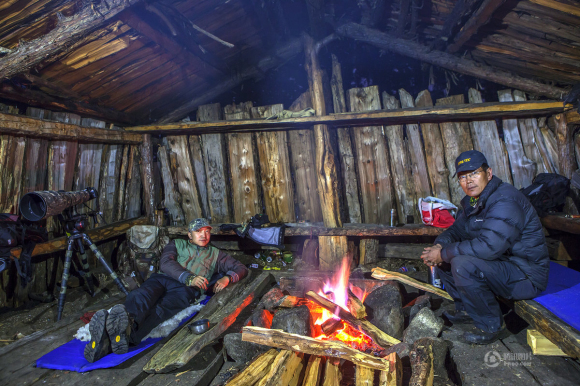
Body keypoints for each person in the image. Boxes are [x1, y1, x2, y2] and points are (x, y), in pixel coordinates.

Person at [421, 150, 549, 344]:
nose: (468, 181)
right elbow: (456, 231)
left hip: (525, 275)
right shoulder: (475, 202)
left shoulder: (505, 200)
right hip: (503, 264)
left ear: (488, 174)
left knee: (461, 263)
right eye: (463, 177)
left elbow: (489, 246)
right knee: (446, 255)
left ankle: (491, 326)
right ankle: (466, 309)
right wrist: (439, 245)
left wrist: (443, 253)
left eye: (474, 173)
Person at [84, 218, 248, 362]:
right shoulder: (176, 244)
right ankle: (126, 326)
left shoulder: (215, 254)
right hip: (163, 279)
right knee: (141, 295)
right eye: (198, 231)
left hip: (186, 290)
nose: (203, 235)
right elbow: (165, 263)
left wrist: (228, 278)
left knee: (161, 310)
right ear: (189, 235)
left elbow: (240, 267)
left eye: (206, 231)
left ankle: (112, 340)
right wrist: (188, 277)